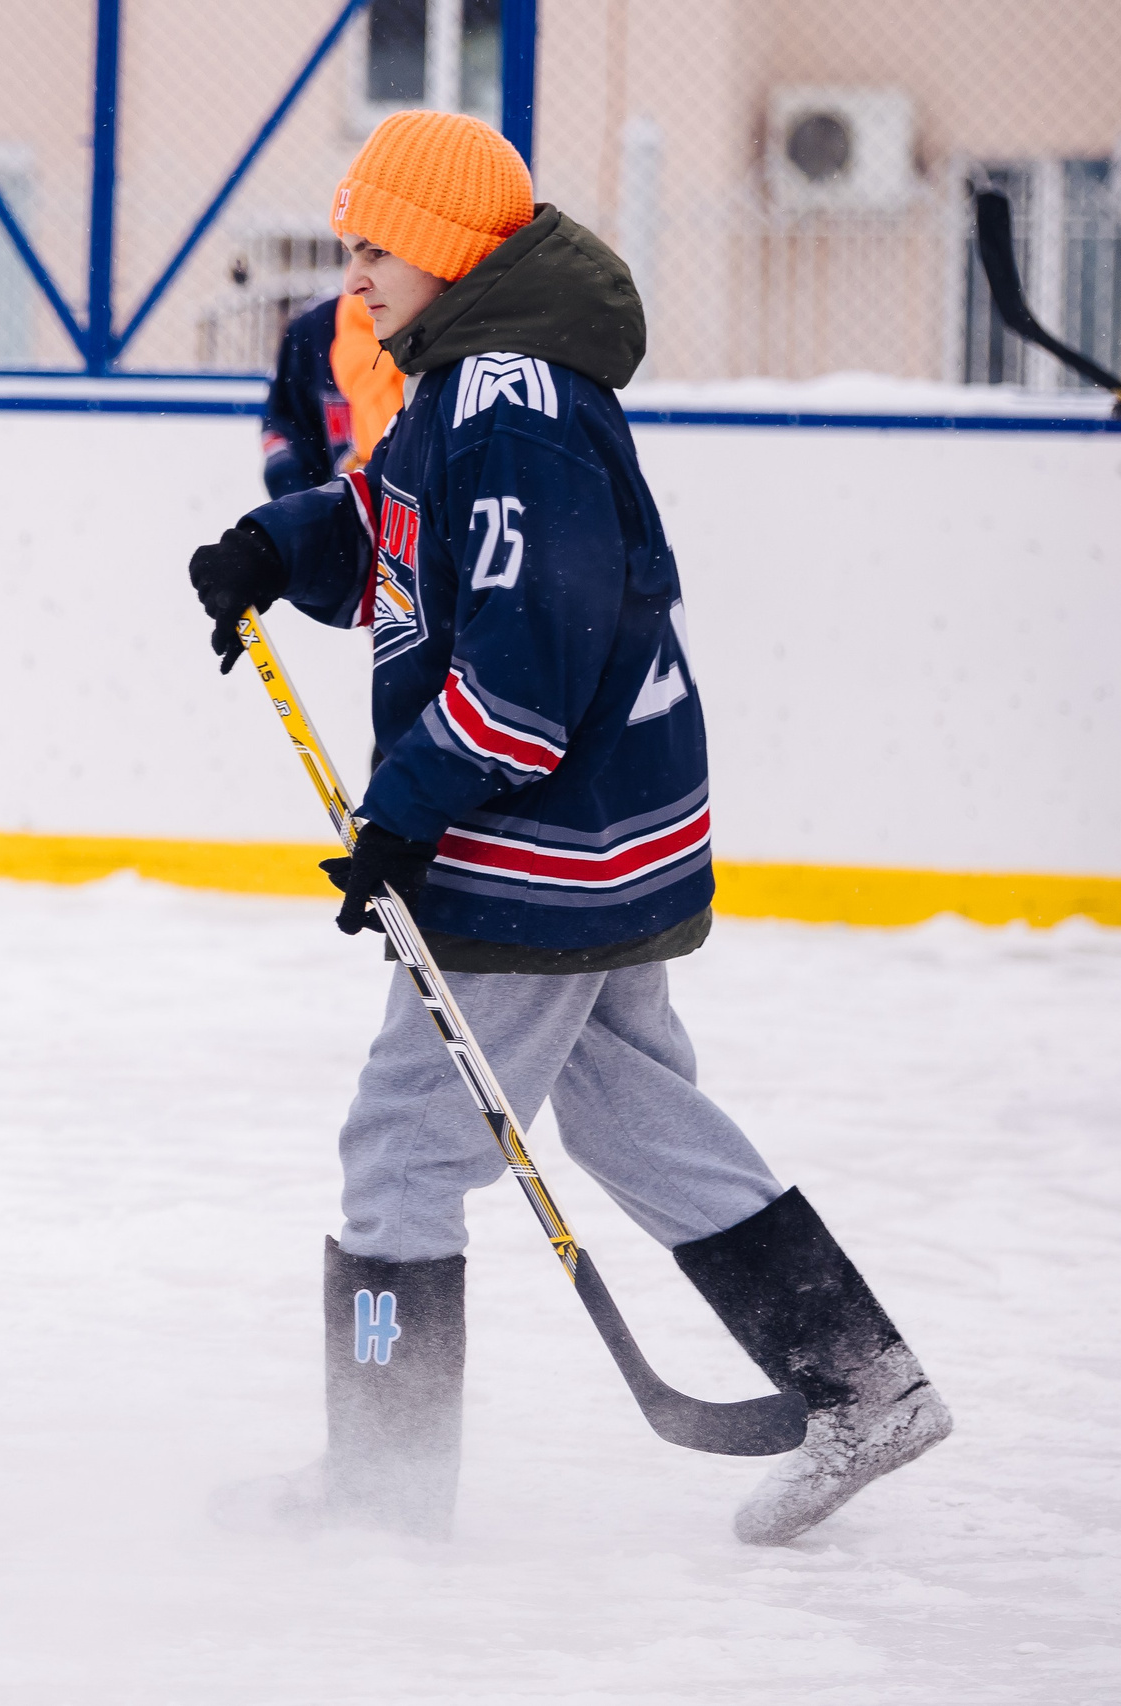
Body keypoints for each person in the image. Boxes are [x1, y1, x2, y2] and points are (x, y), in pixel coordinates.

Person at [185, 110, 949, 1546]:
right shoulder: (470, 382)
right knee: (636, 1112)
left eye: (377, 247)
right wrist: (278, 546)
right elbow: (400, 526)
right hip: (602, 842)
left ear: (456, 248)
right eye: (348, 247)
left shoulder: (507, 401)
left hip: (532, 851)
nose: (354, 275)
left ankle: (381, 1477)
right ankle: (863, 1380)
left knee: (401, 1151)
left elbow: (528, 668)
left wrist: (405, 819)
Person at [260, 289, 403, 497]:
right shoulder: (312, 331)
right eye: (354, 256)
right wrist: (305, 512)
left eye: (379, 254)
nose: (355, 279)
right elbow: (286, 429)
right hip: (339, 520)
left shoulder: (448, 340)